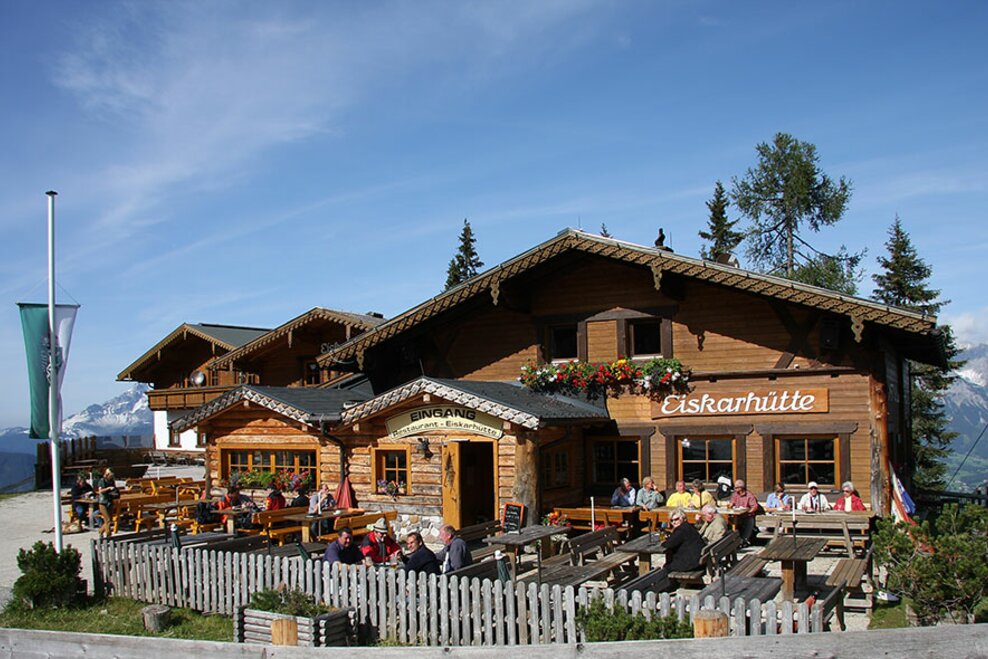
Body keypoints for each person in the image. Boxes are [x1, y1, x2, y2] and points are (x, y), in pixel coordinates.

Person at [656, 508, 704, 580]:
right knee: (669, 560)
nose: (674, 522)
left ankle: (667, 585)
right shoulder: (688, 526)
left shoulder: (681, 530)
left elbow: (669, 544)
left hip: (690, 564)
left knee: (665, 568)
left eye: (676, 519)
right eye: (671, 520)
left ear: (683, 518)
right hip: (697, 560)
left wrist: (664, 542)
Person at [728, 479, 760, 545]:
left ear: (741, 488)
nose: (735, 489)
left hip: (747, 515)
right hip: (737, 515)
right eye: (734, 487)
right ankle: (732, 540)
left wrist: (748, 512)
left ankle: (744, 540)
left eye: (736, 488)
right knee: (729, 521)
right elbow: (731, 503)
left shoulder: (749, 496)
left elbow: (754, 507)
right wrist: (730, 505)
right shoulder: (735, 495)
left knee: (749, 521)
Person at [95, 468, 118, 538]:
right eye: (110, 475)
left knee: (109, 520)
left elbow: (114, 488)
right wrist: (108, 488)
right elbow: (100, 491)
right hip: (103, 502)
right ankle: (108, 535)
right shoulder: (102, 481)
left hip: (110, 501)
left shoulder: (112, 481)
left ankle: (101, 530)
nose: (111, 477)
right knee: (107, 519)